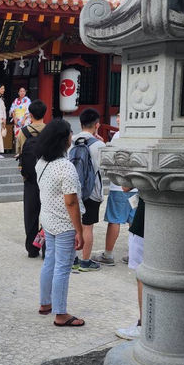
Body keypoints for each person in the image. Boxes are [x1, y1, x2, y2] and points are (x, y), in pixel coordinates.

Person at [36, 118, 85, 327]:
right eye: (70, 135)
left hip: (48, 219)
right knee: (63, 267)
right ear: (64, 140)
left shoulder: (41, 162)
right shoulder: (65, 167)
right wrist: (79, 231)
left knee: (50, 262)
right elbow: (71, 202)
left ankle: (46, 303)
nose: (71, 138)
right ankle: (60, 313)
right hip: (64, 223)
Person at [93, 116, 136, 266]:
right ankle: (134, 254)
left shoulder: (119, 136)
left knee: (115, 220)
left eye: (120, 116)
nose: (117, 119)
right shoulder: (139, 135)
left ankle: (108, 254)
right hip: (137, 184)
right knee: (134, 221)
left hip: (119, 185)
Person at [71, 108, 105, 272]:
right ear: (97, 125)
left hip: (73, 190)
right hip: (92, 191)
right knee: (88, 226)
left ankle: (73, 259)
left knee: (73, 225)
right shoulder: (99, 145)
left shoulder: (71, 141)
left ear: (80, 123)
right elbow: (102, 169)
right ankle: (85, 261)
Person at [15, 99, 47, 257]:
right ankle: (47, 247)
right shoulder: (51, 131)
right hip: (48, 179)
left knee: (31, 215)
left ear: (31, 115)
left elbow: (19, 152)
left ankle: (32, 248)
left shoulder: (23, 132)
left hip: (30, 179)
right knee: (49, 214)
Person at [115, 193, 145, 340]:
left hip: (144, 223)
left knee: (142, 276)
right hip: (170, 221)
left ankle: (144, 325)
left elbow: (125, 186)